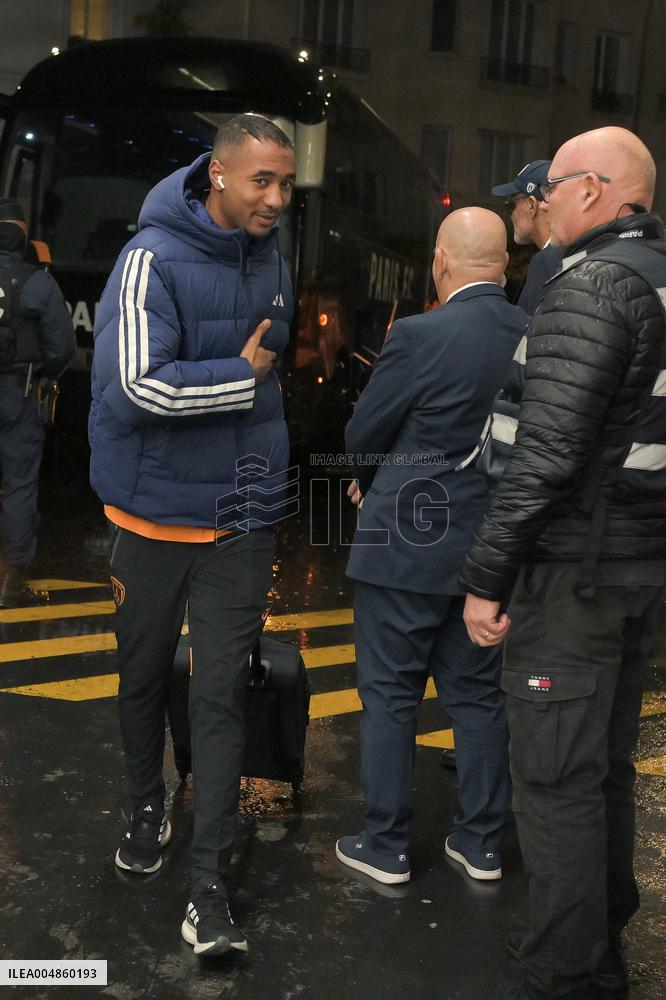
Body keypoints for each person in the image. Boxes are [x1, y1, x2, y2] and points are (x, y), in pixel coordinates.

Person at [461, 127, 666, 1000]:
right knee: (603, 765)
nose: (537, 206)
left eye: (547, 189)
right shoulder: (656, 277)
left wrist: (487, 578)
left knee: (554, 777)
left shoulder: (594, 287)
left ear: (593, 191)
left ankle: (567, 970)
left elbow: (543, 456)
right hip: (635, 573)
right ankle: (599, 940)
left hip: (575, 580)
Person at [89, 115, 296, 955]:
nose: (277, 199)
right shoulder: (148, 258)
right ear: (218, 174)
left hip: (241, 520)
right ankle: (147, 803)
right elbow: (137, 385)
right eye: (262, 182)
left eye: (287, 184)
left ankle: (208, 880)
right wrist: (236, 379)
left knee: (219, 697)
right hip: (150, 518)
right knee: (141, 679)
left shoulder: (274, 257)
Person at [335, 208, 527, 885]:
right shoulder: (537, 333)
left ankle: (385, 845)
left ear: (442, 263)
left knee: (389, 693)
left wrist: (371, 483)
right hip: (492, 552)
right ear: (504, 264)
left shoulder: (419, 334)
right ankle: (480, 845)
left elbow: (365, 429)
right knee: (477, 697)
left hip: (405, 543)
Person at [0, 199, 75, 608]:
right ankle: (12, 586)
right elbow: (62, 348)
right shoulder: (37, 282)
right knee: (18, 488)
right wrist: (40, 375)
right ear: (24, 239)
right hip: (18, 395)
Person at [492, 160, 562, 315]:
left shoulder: (546, 262)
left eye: (510, 205)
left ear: (532, 206)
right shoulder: (572, 253)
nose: (510, 215)